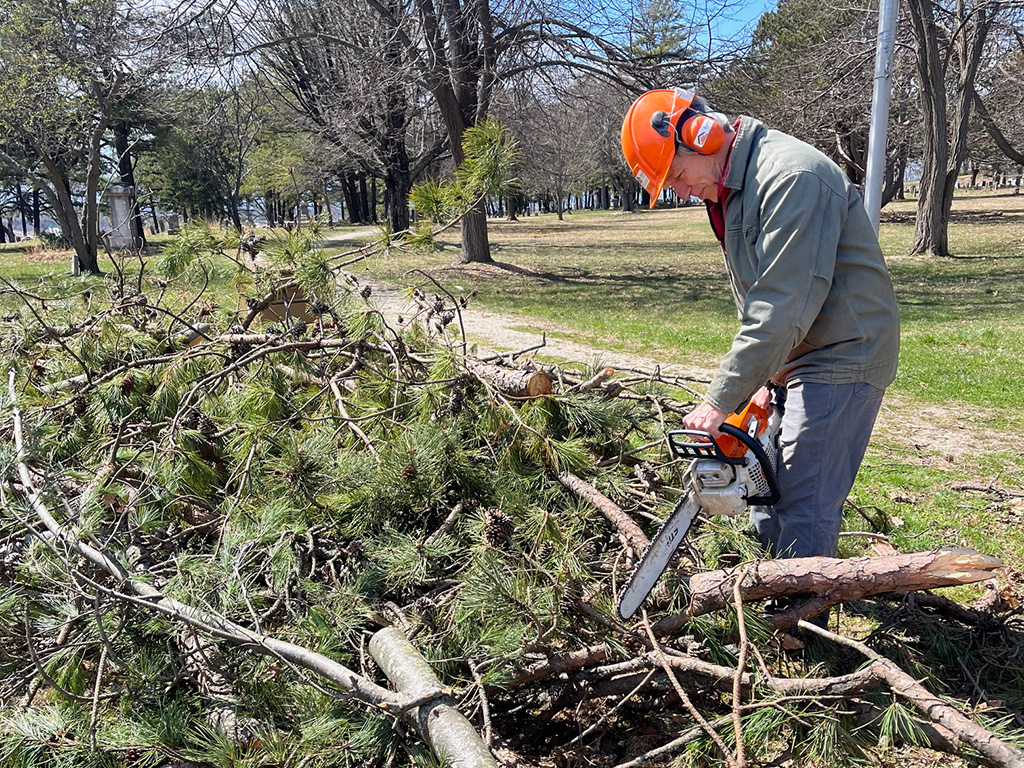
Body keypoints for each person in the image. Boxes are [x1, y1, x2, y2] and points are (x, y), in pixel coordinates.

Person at [620, 88, 900, 560]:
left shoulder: (791, 177)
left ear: (700, 135)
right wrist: (763, 380)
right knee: (764, 486)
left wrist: (718, 401)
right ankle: (770, 606)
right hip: (797, 352)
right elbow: (759, 297)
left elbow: (781, 304)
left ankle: (803, 623)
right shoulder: (733, 192)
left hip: (843, 353)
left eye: (679, 176)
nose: (683, 192)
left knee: (802, 503)